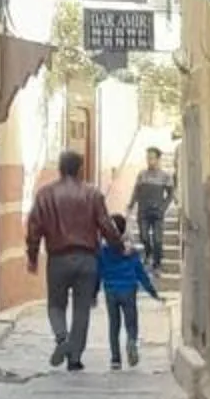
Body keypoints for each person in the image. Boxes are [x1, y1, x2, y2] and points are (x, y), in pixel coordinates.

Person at [26, 149, 113, 371]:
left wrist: (33, 256)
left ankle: (61, 338)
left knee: (56, 304)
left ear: (60, 168)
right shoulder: (93, 194)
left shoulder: (45, 195)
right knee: (82, 309)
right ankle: (74, 359)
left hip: (58, 259)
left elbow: (34, 228)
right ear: (81, 168)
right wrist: (119, 247)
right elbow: (106, 225)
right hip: (87, 260)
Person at [98, 214, 160, 371]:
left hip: (111, 290)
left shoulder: (103, 250)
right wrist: (152, 292)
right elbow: (140, 273)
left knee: (114, 324)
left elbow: (98, 271)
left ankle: (115, 359)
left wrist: (93, 291)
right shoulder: (131, 251)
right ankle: (131, 341)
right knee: (131, 322)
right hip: (128, 289)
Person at [132, 146, 175, 272]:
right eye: (148, 158)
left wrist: (163, 207)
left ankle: (157, 264)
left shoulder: (165, 176)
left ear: (158, 159)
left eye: (152, 158)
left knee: (158, 239)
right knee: (144, 236)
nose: (149, 161)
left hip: (157, 212)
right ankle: (148, 252)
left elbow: (171, 194)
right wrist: (131, 205)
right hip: (143, 211)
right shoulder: (142, 175)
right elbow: (136, 191)